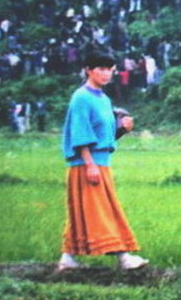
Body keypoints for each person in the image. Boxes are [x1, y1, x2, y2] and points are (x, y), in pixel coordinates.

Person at [58, 50, 147, 272]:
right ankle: (123, 257)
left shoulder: (104, 99)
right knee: (104, 211)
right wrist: (90, 165)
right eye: (100, 69)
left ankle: (67, 258)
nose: (105, 74)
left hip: (101, 163)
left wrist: (122, 130)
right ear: (88, 70)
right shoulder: (81, 97)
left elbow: (105, 138)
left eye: (109, 69)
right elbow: (80, 135)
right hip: (86, 165)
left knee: (83, 210)